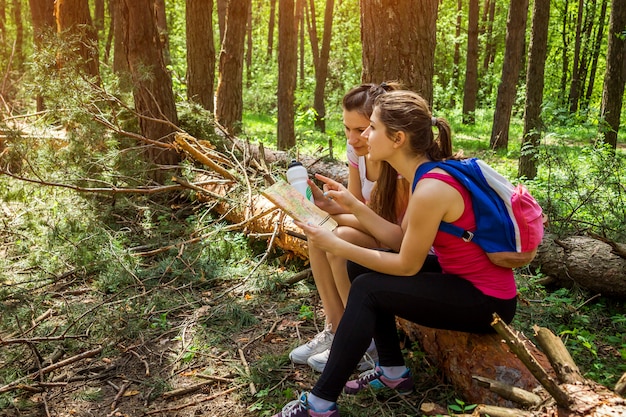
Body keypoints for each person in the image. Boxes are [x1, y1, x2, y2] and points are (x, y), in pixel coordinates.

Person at [272, 90, 518, 417]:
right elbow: (401, 238)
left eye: (371, 128)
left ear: (398, 138)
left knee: (367, 287)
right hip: (460, 280)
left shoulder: (431, 188)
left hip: (487, 301)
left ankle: (319, 404)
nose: (363, 136)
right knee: (360, 272)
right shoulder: (425, 175)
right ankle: (392, 373)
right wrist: (351, 204)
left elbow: (405, 264)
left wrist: (338, 245)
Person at [288, 82, 409, 373]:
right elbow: (356, 204)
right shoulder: (357, 153)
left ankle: (363, 339)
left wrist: (335, 215)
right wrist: (325, 205)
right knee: (318, 233)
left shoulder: (398, 161)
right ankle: (337, 328)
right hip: (373, 229)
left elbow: (391, 228)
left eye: (362, 129)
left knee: (336, 236)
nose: (354, 139)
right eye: (347, 129)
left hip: (398, 240)